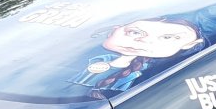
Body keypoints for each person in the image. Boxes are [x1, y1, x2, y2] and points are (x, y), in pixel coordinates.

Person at [73, 17, 203, 92]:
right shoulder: (97, 59)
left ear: (190, 45)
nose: (143, 41)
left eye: (167, 37)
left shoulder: (161, 75)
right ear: (113, 31)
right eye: (134, 32)